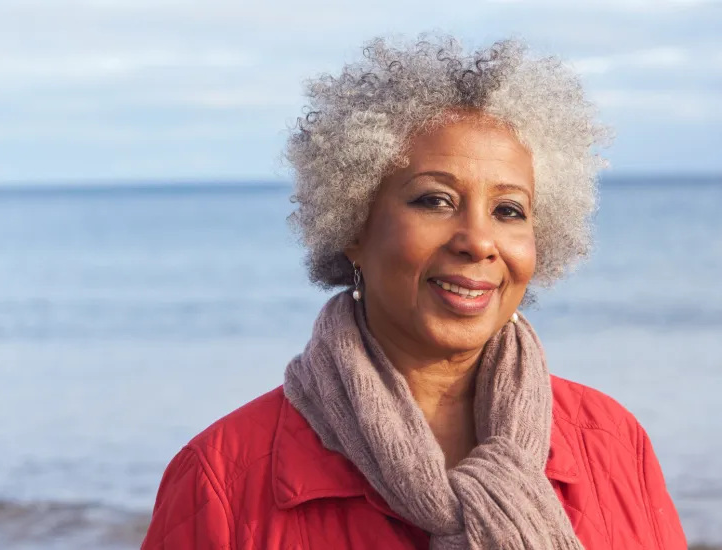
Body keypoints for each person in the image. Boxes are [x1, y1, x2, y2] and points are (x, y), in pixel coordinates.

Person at [141, 35, 686, 549]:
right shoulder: (224, 475)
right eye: (434, 200)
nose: (477, 241)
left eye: (509, 211)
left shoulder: (612, 442)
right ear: (354, 226)